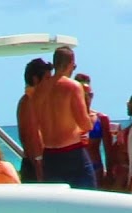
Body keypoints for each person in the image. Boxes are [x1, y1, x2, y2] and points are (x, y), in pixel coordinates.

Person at [32, 46, 95, 189]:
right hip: (72, 153)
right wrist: (92, 119)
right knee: (86, 198)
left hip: (49, 155)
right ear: (70, 63)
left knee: (56, 201)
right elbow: (85, 124)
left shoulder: (39, 90)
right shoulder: (73, 86)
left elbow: (36, 126)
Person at [74, 73, 114, 189]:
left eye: (90, 95)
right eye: (83, 94)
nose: (87, 99)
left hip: (96, 168)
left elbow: (108, 150)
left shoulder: (101, 118)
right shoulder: (69, 118)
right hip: (74, 169)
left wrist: (110, 174)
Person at [16, 58, 50, 182]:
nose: (50, 83)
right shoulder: (29, 101)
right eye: (47, 79)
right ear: (36, 79)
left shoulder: (35, 101)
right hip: (36, 166)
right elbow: (32, 136)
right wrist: (39, 167)